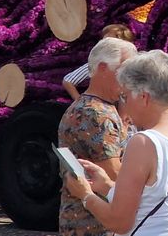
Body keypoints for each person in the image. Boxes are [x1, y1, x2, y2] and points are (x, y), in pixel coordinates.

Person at [64, 50, 168, 236]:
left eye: (125, 95)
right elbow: (161, 199)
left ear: (143, 97)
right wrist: (108, 185)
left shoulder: (144, 142)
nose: (122, 102)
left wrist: (85, 195)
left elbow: (120, 222)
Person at [58, 37, 138, 236]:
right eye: (124, 70)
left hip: (86, 219)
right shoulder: (96, 114)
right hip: (96, 223)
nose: (129, 79)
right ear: (103, 68)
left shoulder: (93, 107)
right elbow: (113, 171)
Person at [62, 24, 136, 100]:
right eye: (103, 40)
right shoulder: (97, 63)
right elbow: (68, 81)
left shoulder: (132, 66)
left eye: (108, 41)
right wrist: (79, 100)